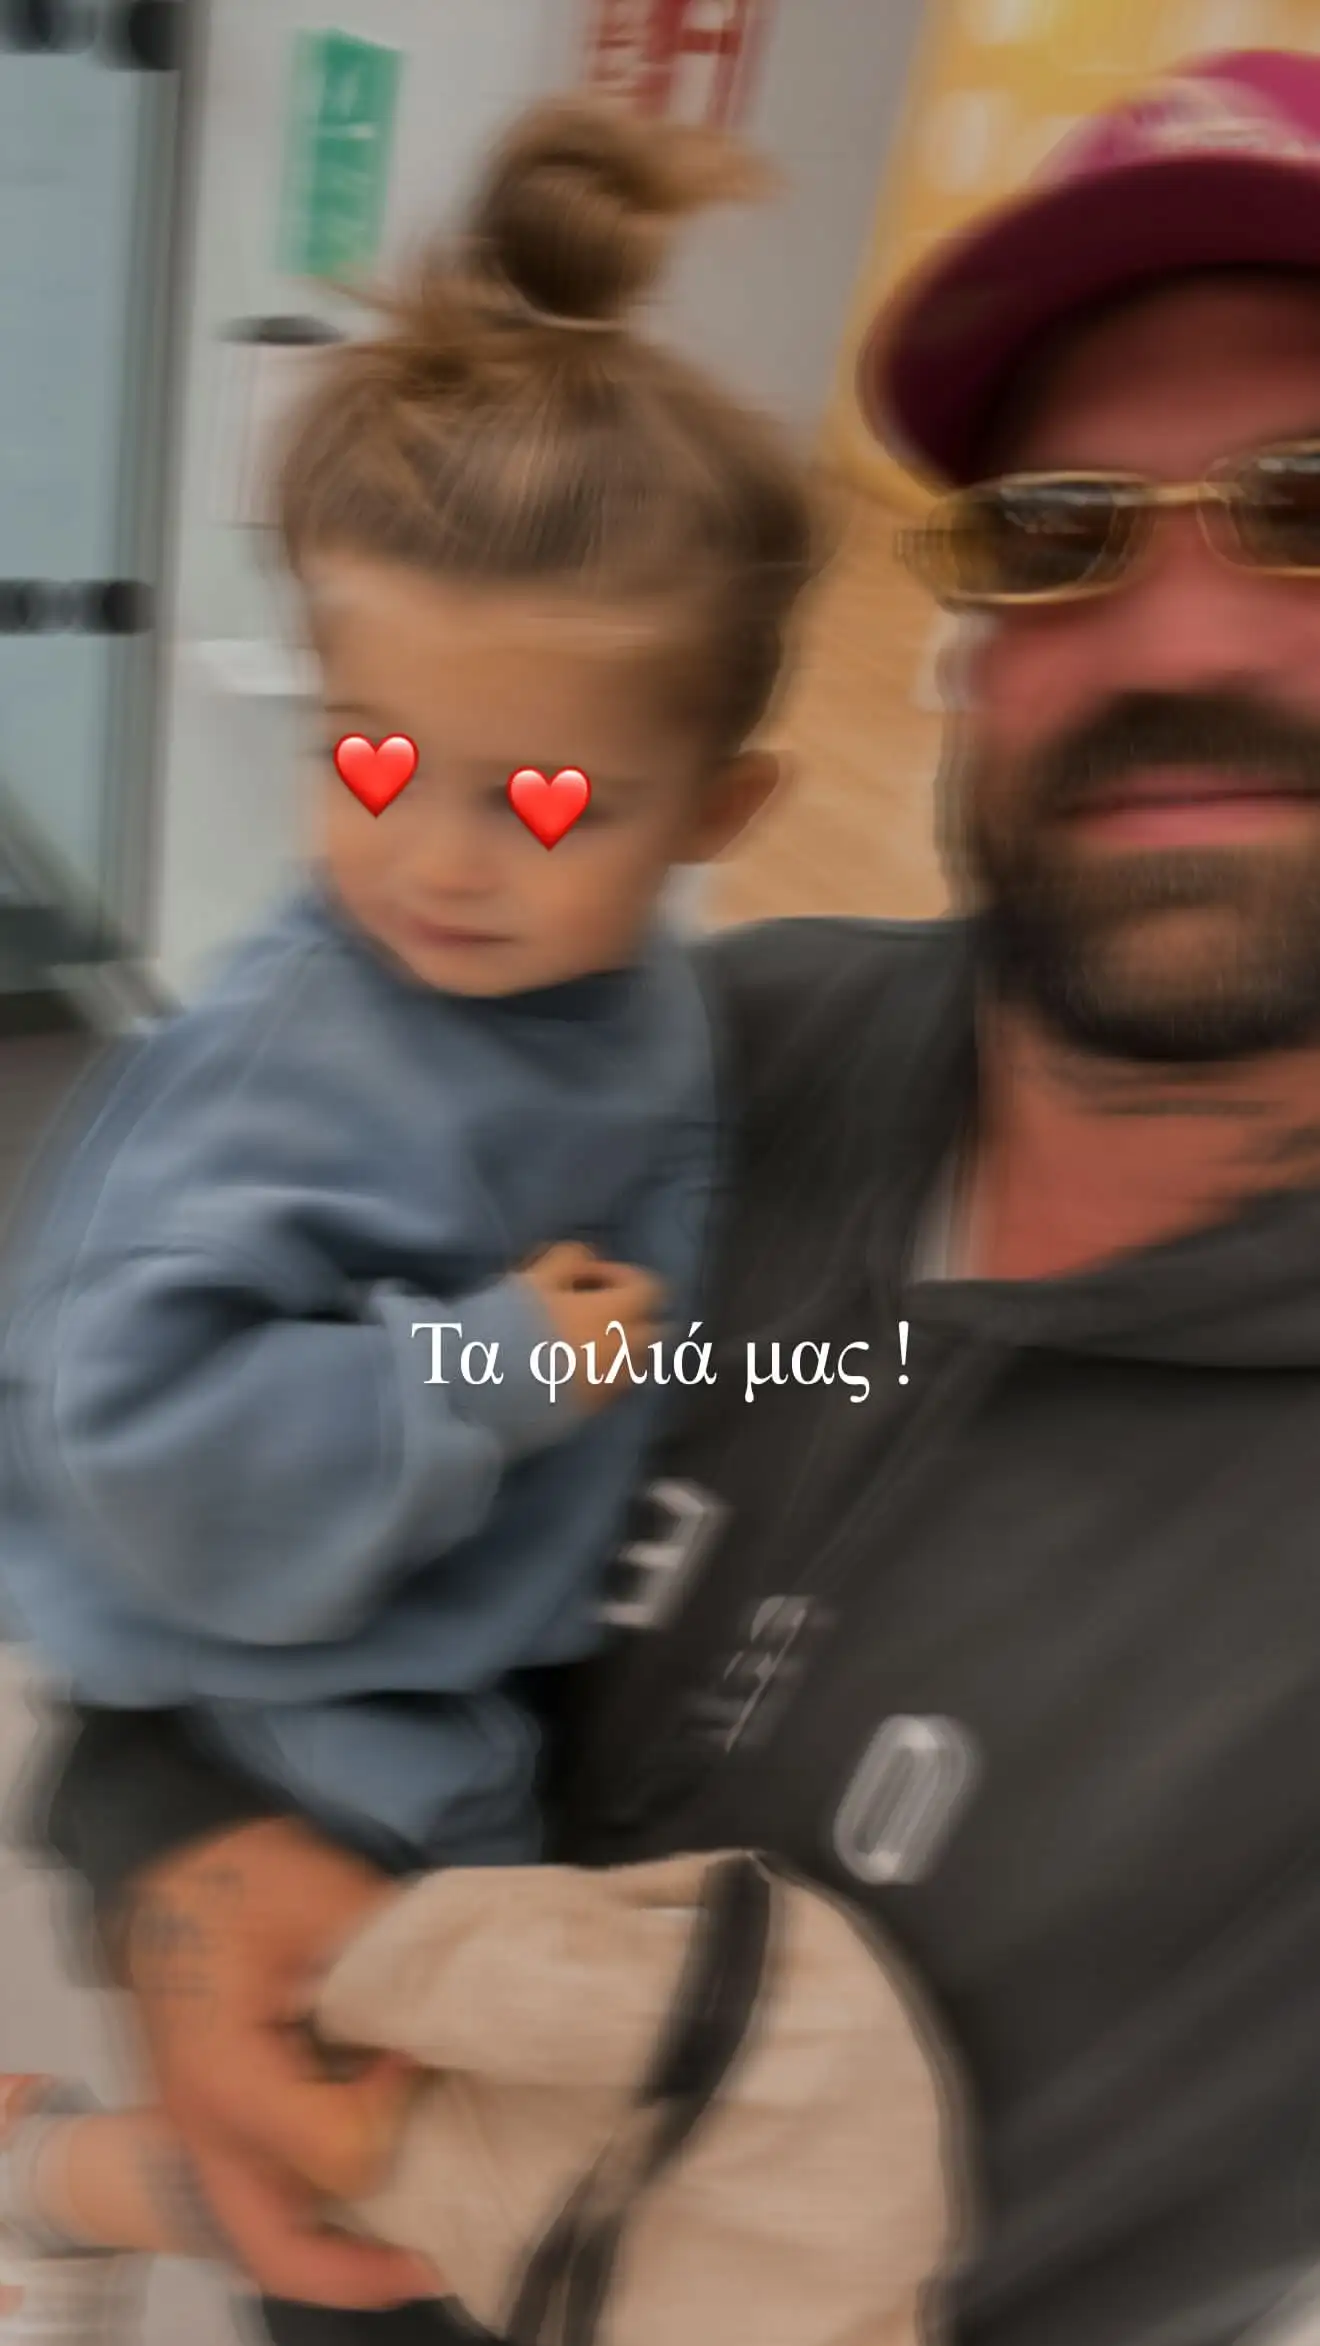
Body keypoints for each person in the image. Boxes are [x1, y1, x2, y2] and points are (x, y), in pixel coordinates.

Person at [20, 35, 1320, 2346]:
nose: (1187, 630)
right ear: (975, 652)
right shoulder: (685, 1050)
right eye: (1059, 528)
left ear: (713, 801)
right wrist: (172, 1862)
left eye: (1312, 504)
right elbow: (160, 1520)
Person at [0, 90, 825, 2343]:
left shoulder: (638, 996)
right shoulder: (305, 1055)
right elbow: (137, 1431)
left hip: (467, 1628)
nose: (435, 859)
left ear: (719, 809)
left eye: (544, 800)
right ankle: (138, 2193)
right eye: (368, 756)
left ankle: (77, 2173)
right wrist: (480, 1367)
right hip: (291, 1685)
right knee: (415, 2155)